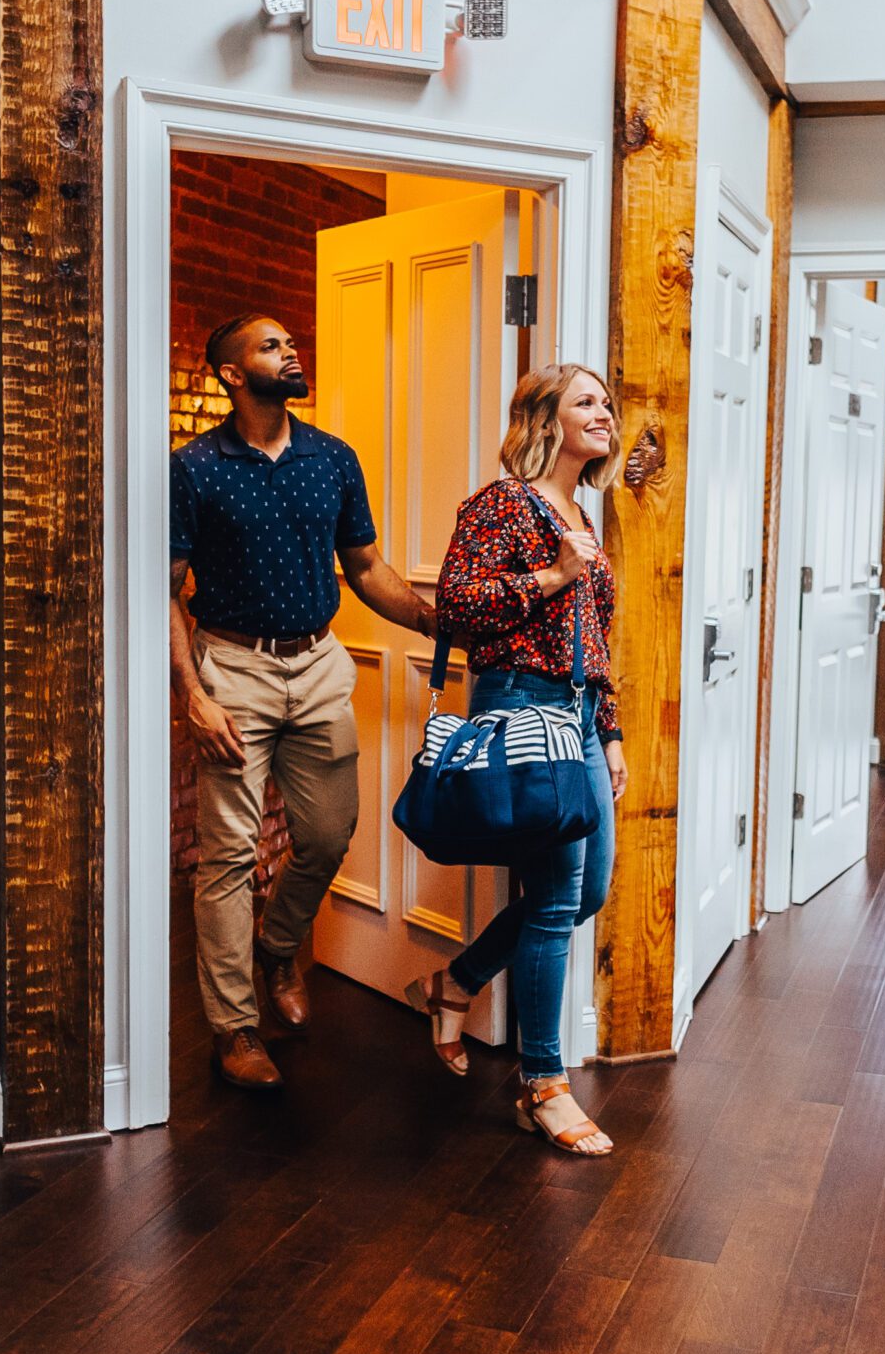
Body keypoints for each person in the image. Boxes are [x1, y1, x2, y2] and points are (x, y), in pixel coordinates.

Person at [172, 313, 435, 1090]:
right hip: (232, 667)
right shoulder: (194, 468)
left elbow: (367, 567)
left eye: (290, 343)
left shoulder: (332, 458)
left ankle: (278, 943)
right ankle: (234, 1026)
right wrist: (193, 695)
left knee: (327, 833)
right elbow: (164, 590)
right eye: (271, 346)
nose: (290, 352)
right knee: (228, 854)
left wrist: (431, 618)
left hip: (319, 663)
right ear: (231, 373)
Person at [413, 362, 627, 1155]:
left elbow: (594, 642)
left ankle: (456, 980)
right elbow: (457, 605)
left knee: (585, 890)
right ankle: (543, 1084)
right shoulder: (502, 503)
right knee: (556, 894)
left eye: (607, 403)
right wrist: (553, 573)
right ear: (545, 419)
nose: (604, 413)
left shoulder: (582, 513)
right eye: (585, 401)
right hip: (521, 705)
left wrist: (611, 733)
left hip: (578, 714)